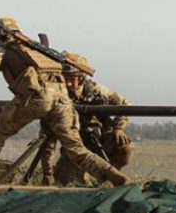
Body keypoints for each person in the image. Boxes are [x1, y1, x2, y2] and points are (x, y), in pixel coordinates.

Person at [0, 17, 128, 187]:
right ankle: (112, 174)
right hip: (63, 99)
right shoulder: (38, 50)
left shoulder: (6, 51)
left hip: (36, 97)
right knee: (76, 149)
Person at [38, 52, 133, 185]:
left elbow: (125, 104)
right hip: (75, 149)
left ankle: (110, 176)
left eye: (73, 78)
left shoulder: (95, 91)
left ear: (82, 78)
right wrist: (47, 174)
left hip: (102, 141)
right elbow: (48, 143)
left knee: (124, 147)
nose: (69, 83)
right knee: (66, 180)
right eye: (66, 78)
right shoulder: (55, 98)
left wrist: (118, 128)